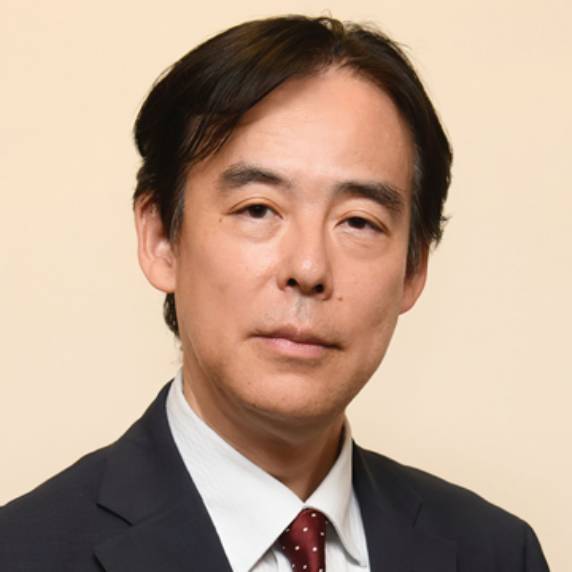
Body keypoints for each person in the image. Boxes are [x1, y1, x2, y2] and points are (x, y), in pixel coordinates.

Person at [0, 15, 549, 572]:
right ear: (161, 239)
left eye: (359, 221)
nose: (308, 268)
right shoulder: (22, 554)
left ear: (414, 269)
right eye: (258, 210)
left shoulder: (499, 554)